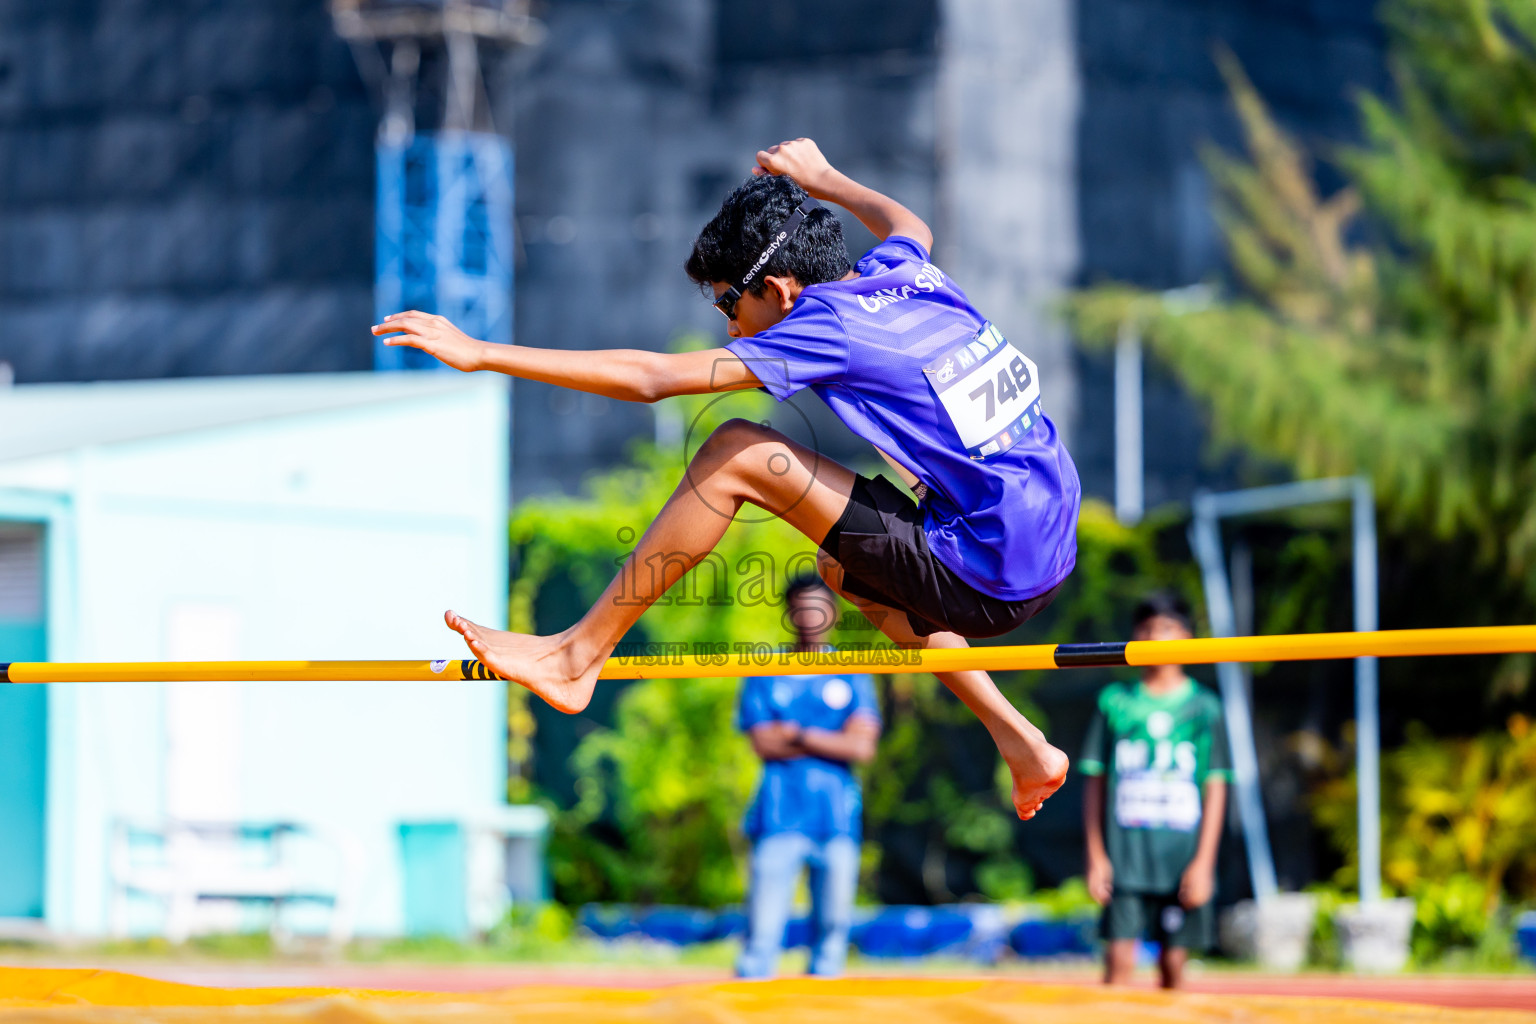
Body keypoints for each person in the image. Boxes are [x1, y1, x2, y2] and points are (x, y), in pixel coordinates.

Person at [372, 137, 1079, 819]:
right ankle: (1021, 742)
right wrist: (827, 178)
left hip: (986, 569)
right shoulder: (904, 275)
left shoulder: (825, 325)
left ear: (776, 288)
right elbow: (907, 222)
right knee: (844, 572)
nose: (734, 331)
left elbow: (653, 378)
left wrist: (482, 351)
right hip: (1049, 537)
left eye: (729, 308)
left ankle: (575, 657)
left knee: (737, 450)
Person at [1080, 593, 1232, 989]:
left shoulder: (1205, 707)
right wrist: (1097, 856)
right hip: (1125, 857)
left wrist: (1203, 863)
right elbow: (1094, 781)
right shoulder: (1114, 701)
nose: (1153, 638)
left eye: (1165, 629)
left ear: (1186, 637)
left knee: (1175, 966)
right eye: (1144, 630)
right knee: (1117, 963)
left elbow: (1216, 786)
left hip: (1179, 857)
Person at [735, 574, 880, 979]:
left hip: (836, 820)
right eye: (800, 607)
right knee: (761, 937)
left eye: (817, 606)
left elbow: (862, 747)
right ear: (789, 613)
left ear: (832, 612)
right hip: (778, 816)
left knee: (831, 938)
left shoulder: (852, 672)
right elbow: (763, 743)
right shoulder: (766, 671)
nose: (809, 616)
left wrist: (797, 733)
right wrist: (835, 737)